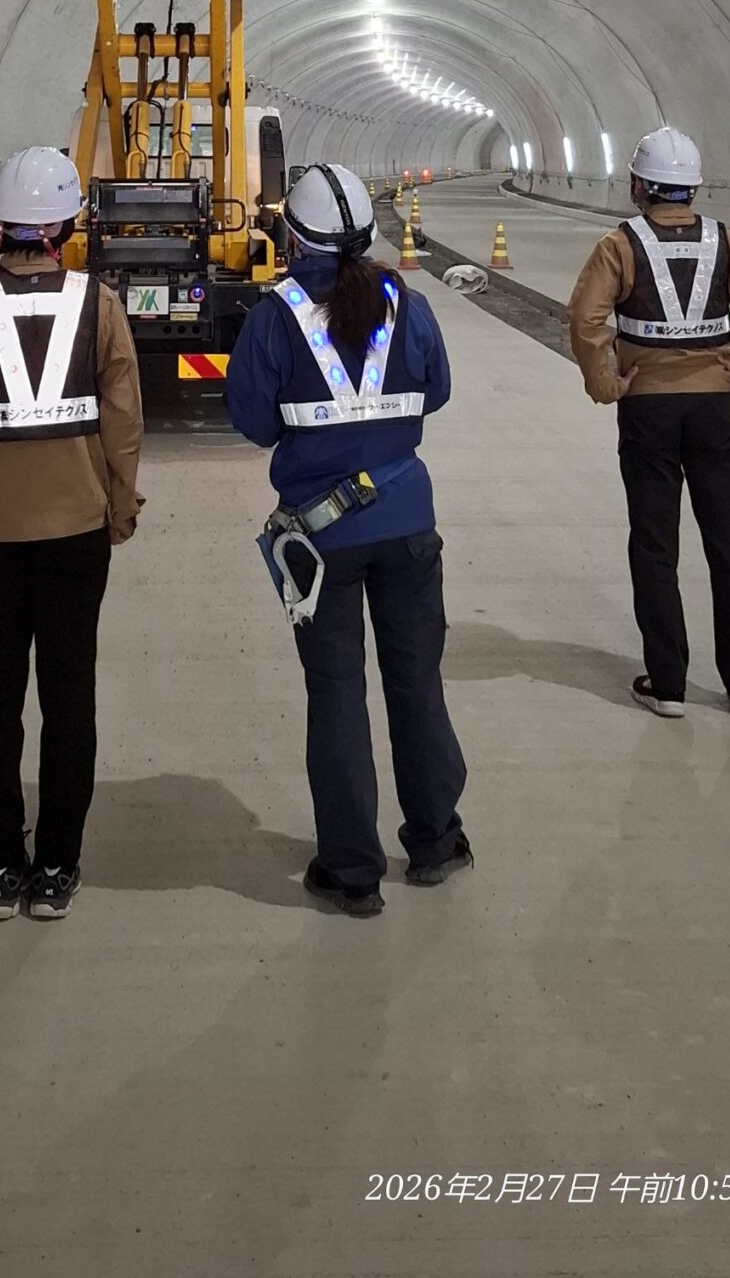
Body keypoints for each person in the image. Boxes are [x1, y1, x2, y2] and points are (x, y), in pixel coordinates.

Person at [225, 162, 469, 918]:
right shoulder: (408, 303)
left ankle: (352, 869)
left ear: (292, 237)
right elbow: (438, 391)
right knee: (416, 682)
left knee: (336, 695)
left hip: (320, 540)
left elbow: (253, 421)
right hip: (406, 527)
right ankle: (433, 840)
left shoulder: (276, 317)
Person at [0, 146, 143, 920]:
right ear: (68, 224)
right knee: (70, 698)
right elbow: (122, 423)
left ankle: (1, 869)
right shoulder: (97, 304)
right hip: (75, 530)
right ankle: (58, 870)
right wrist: (120, 504)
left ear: (0, 224)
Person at [567, 125, 730, 719]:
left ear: (641, 185)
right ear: (693, 188)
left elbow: (587, 318)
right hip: (715, 409)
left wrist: (606, 384)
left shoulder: (619, 245)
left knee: (654, 544)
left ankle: (668, 684)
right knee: (729, 545)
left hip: (648, 409)